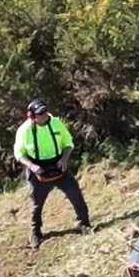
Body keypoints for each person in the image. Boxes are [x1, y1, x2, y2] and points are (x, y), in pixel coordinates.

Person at [14, 98, 93, 249]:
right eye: (40, 114)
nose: (44, 115)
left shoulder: (56, 123)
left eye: (44, 112)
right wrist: (32, 166)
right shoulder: (24, 130)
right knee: (36, 204)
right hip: (37, 167)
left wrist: (64, 160)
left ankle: (84, 223)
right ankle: (35, 233)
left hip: (58, 164)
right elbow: (19, 154)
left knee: (75, 193)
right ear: (32, 116)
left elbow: (68, 143)